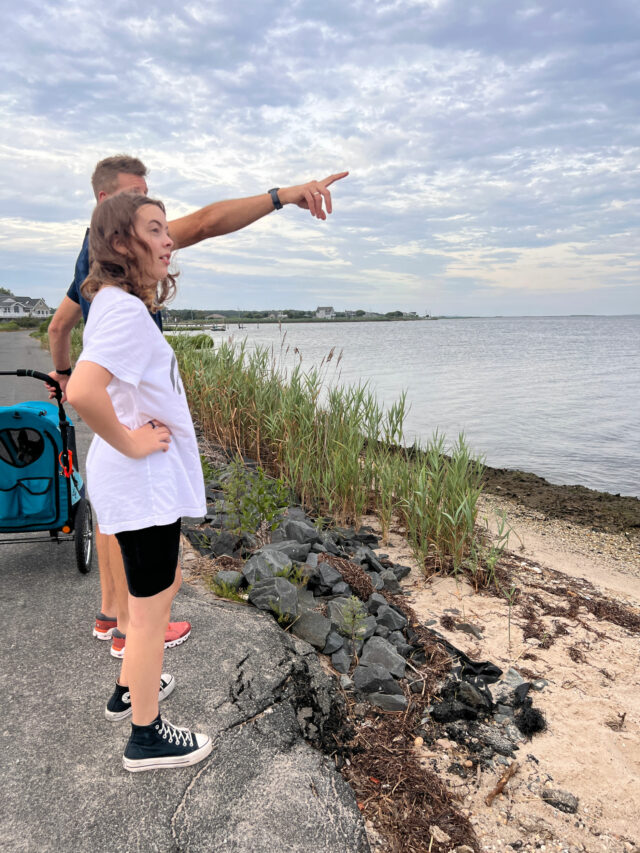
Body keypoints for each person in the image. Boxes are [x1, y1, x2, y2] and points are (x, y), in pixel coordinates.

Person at [48, 155, 348, 658]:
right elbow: (207, 224)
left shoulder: (97, 259)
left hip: (120, 423)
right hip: (135, 431)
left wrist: (60, 371)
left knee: (111, 520)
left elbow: (60, 326)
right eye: (137, 195)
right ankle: (130, 630)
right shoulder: (123, 262)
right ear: (110, 209)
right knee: (150, 580)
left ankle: (112, 615)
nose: (165, 234)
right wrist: (282, 195)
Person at [66, 192, 211, 770]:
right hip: (141, 480)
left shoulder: (112, 302)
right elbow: (82, 390)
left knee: (160, 584)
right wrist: (130, 441)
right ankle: (147, 737)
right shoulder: (125, 312)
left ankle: (130, 690)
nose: (170, 239)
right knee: (150, 614)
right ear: (122, 243)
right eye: (156, 229)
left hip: (137, 481)